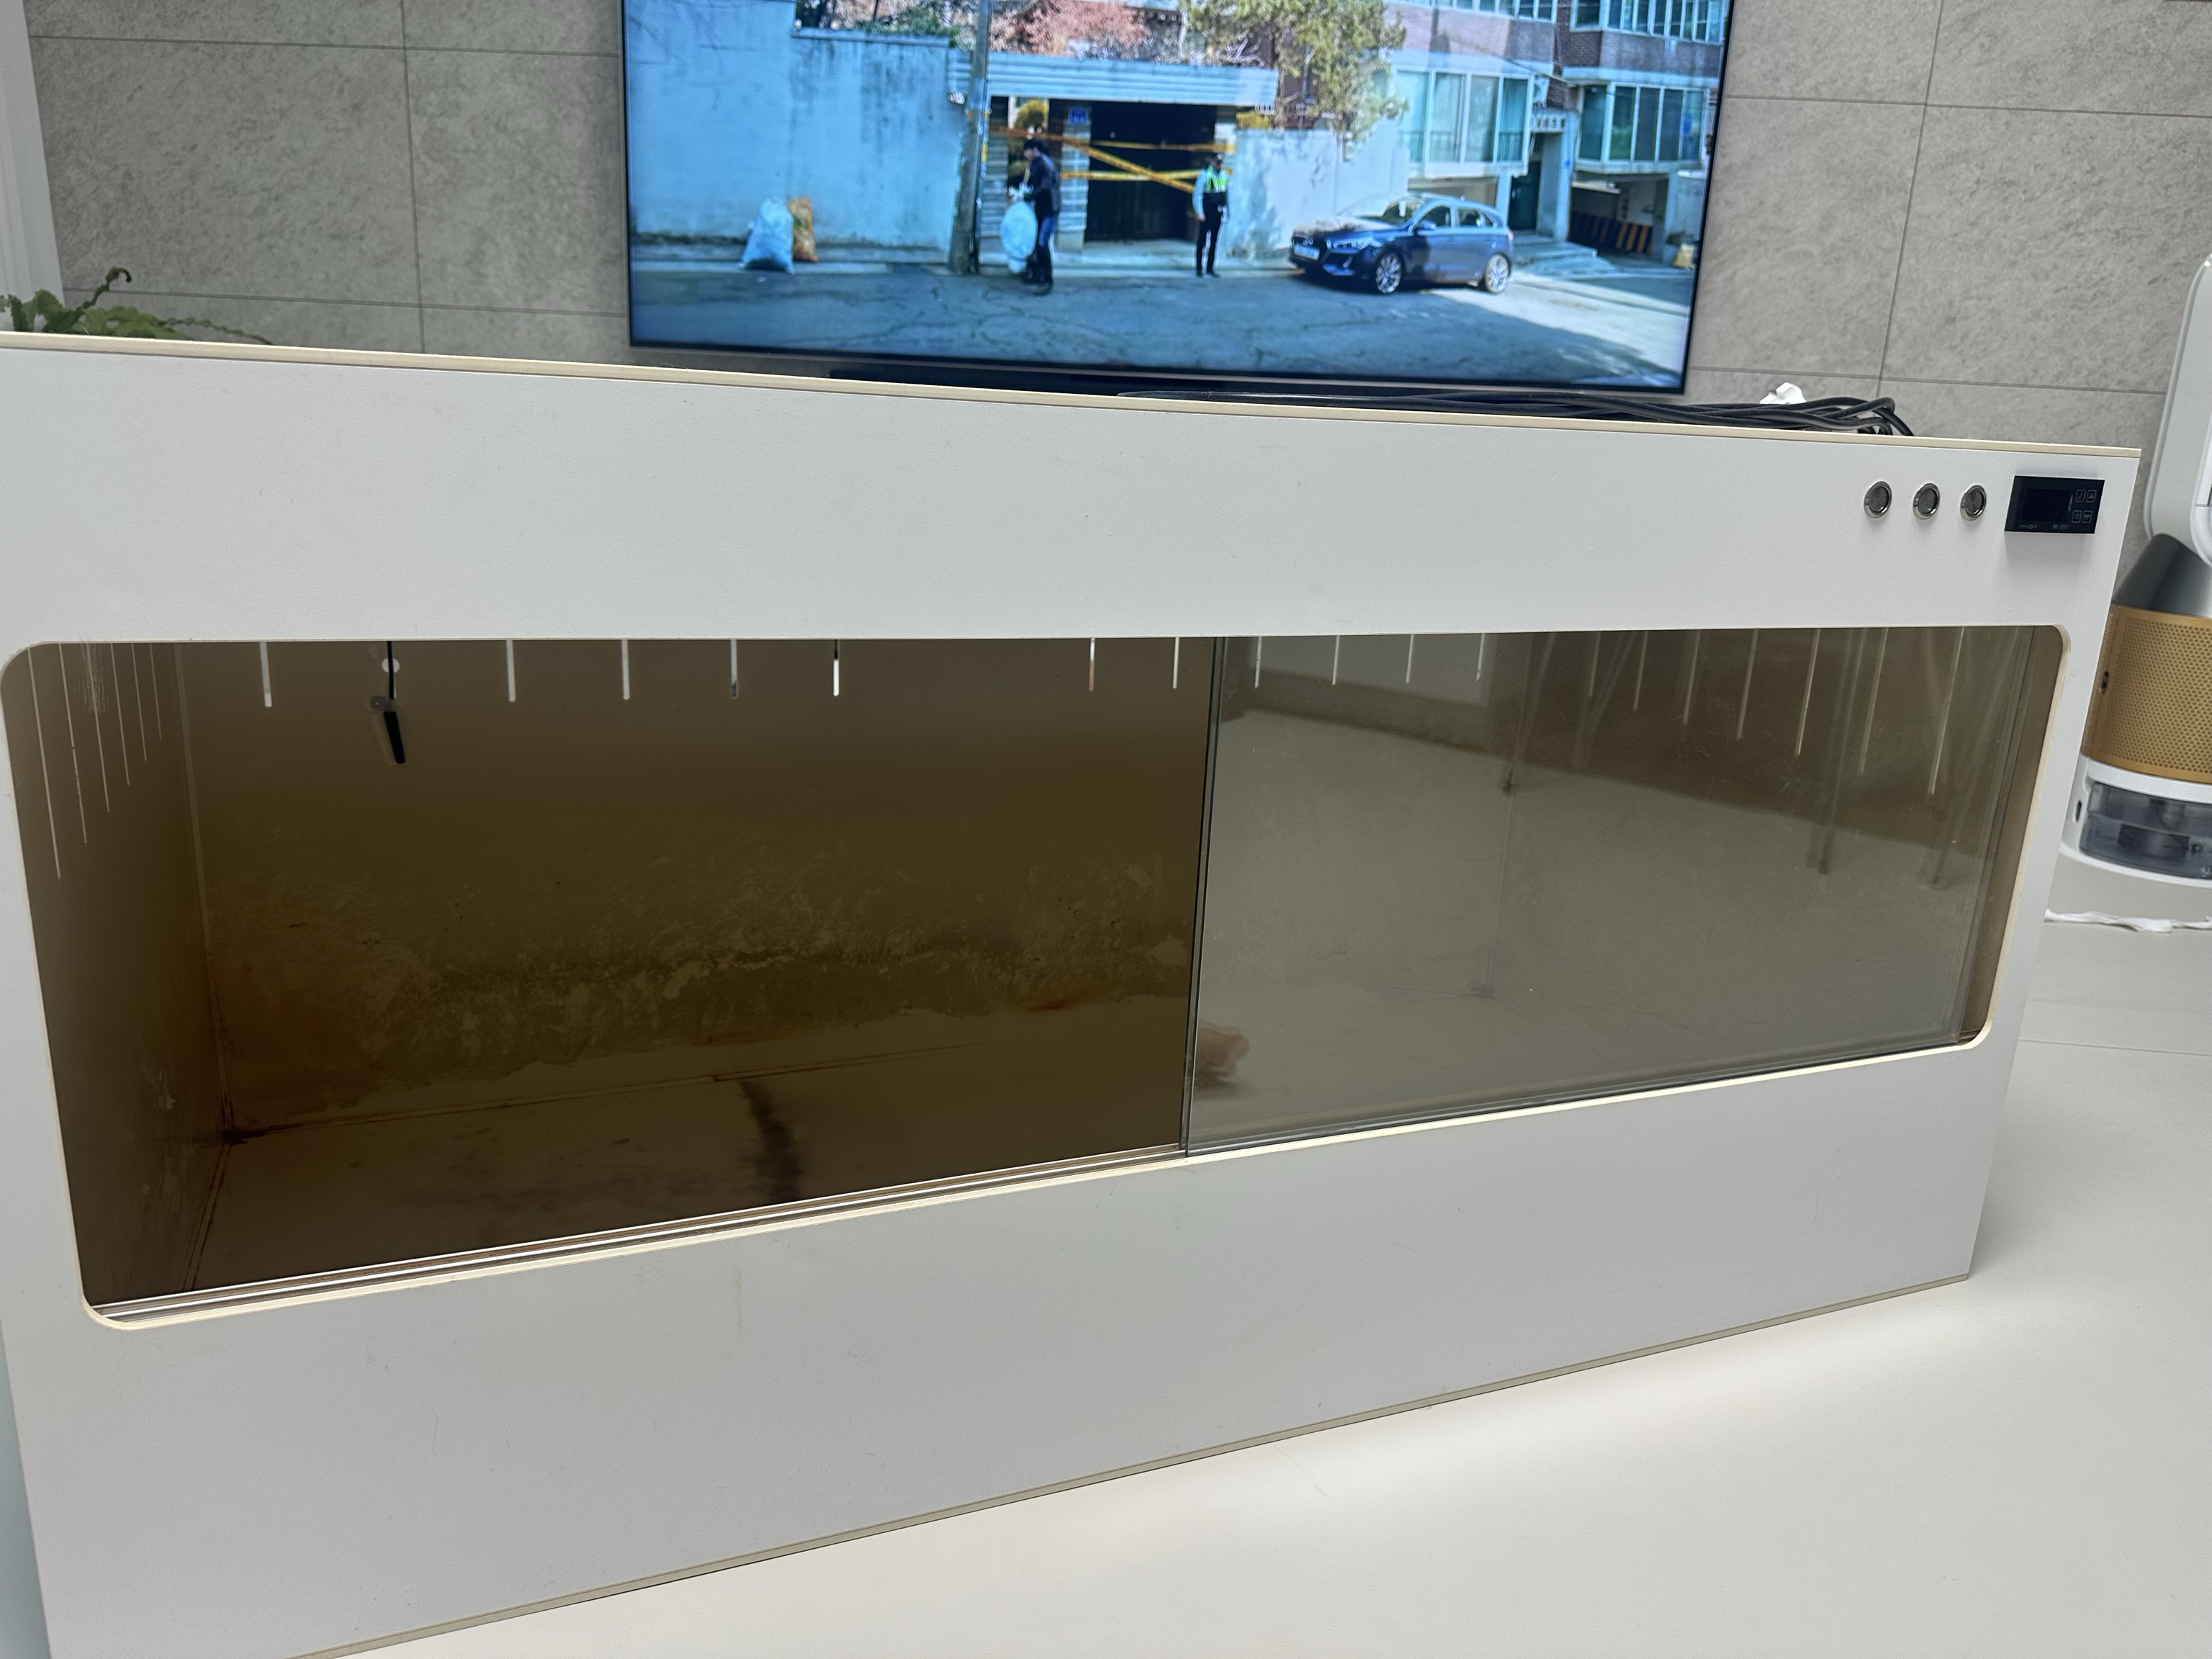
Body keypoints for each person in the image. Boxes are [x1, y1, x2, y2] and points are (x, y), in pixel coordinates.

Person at [1021, 137, 1060, 294]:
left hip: (1050, 209)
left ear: (1034, 150)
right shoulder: (1035, 164)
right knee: (1037, 242)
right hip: (1041, 208)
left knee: (1043, 242)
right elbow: (1032, 183)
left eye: (1027, 151)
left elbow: (1044, 187)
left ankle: (1047, 277)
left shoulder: (1046, 165)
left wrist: (1028, 196)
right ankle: (1037, 273)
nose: (1025, 154)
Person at [1192, 153, 1229, 277]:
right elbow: (1197, 195)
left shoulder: (1224, 175)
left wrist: (1226, 212)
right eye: (1217, 162)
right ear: (1212, 162)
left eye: (1220, 162)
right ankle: (1199, 268)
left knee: (1214, 242)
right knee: (1202, 240)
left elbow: (1226, 195)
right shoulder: (1205, 175)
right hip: (1207, 212)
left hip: (1218, 213)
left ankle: (1210, 268)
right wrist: (1200, 212)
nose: (1219, 164)